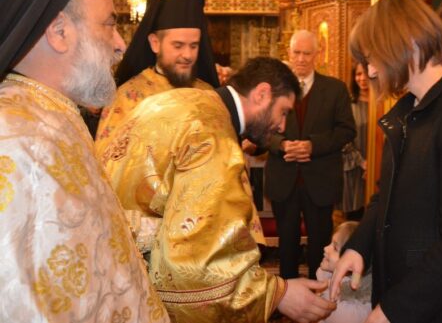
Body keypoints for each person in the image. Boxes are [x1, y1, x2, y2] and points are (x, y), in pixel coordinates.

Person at [0, 0, 169, 322]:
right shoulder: (15, 138)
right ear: (59, 32)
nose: (121, 43)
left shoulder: (53, 116)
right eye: (109, 24)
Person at [97, 57, 336, 323]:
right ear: (262, 94)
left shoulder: (182, 99)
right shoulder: (213, 135)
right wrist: (278, 294)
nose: (282, 126)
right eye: (283, 112)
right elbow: (200, 264)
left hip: (111, 269)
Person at [330, 0, 442, 323]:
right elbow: (385, 195)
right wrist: (359, 246)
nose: (371, 71)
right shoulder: (409, 110)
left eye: (373, 57)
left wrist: (396, 309)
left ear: (407, 42)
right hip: (410, 290)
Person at [264, 30, 356, 280]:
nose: (301, 59)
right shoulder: (274, 89)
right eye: (297, 53)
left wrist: (313, 146)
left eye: (307, 53)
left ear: (318, 54)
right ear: (289, 53)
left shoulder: (335, 89)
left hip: (321, 180)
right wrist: (282, 145)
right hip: (284, 180)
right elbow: (259, 129)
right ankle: (287, 292)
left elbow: (347, 130)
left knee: (320, 245)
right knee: (287, 245)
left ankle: (319, 292)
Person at [95, 0, 219, 148]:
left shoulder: (208, 94)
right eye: (178, 46)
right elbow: (107, 155)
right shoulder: (127, 97)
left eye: (194, 46)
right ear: (155, 43)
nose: (188, 55)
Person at [316, 221, 372, 323]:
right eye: (330, 243)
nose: (325, 248)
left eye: (335, 248)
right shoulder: (328, 273)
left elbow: (332, 315)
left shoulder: (357, 296)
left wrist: (327, 286)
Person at [340, 63, 369, 221]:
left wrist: (377, 164)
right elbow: (343, 138)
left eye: (366, 73)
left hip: (379, 169)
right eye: (358, 74)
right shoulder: (348, 105)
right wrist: (362, 162)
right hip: (353, 167)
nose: (362, 78)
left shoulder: (384, 103)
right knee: (354, 219)